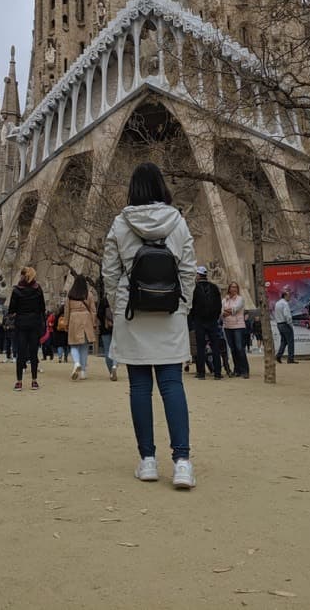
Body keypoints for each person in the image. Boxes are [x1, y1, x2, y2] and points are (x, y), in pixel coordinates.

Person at [102, 162, 197, 489]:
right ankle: (182, 462)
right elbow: (188, 270)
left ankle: (148, 461)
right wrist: (182, 306)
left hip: (133, 312)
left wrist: (119, 306)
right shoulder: (178, 222)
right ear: (161, 187)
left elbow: (110, 273)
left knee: (140, 387)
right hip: (169, 313)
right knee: (172, 385)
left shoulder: (120, 223)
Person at [8, 267, 45, 391]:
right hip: (34, 323)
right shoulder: (38, 289)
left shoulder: (17, 290)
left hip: (21, 323)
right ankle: (34, 381)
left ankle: (19, 382)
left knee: (21, 352)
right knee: (33, 352)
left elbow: (11, 309)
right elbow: (42, 308)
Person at [188, 265, 223, 380]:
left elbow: (191, 305)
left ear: (198, 275)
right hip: (212, 320)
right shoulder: (214, 287)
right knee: (215, 347)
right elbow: (219, 305)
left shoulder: (194, 288)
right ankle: (217, 372)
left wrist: (193, 318)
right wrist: (215, 317)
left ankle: (201, 373)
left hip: (199, 320)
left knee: (200, 347)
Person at [65, 276, 97, 380]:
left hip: (74, 319)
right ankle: (83, 371)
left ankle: (76, 362)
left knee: (73, 345)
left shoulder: (70, 295)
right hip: (86, 319)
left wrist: (66, 323)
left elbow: (67, 310)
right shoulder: (89, 294)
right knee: (84, 347)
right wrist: (93, 323)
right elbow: (93, 310)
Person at [222, 281, 250, 377]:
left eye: (235, 287)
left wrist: (228, 311)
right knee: (233, 349)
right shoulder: (224, 300)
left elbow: (236, 309)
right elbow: (221, 311)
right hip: (227, 326)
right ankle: (237, 369)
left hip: (238, 326)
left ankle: (245, 370)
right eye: (232, 287)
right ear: (229, 288)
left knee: (239, 348)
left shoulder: (240, 299)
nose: (233, 289)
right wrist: (229, 311)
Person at [97, 295, 118, 381]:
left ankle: (110, 371)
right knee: (116, 348)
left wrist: (104, 321)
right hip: (117, 328)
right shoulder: (118, 298)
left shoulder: (104, 300)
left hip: (105, 328)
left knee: (107, 350)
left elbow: (99, 314)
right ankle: (114, 365)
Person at [274, 287, 296, 364]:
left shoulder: (277, 303)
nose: (290, 297)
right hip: (285, 324)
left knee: (284, 341)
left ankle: (278, 355)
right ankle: (290, 358)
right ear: (285, 296)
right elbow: (287, 315)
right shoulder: (285, 304)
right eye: (289, 296)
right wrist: (290, 324)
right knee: (290, 341)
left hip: (279, 324)